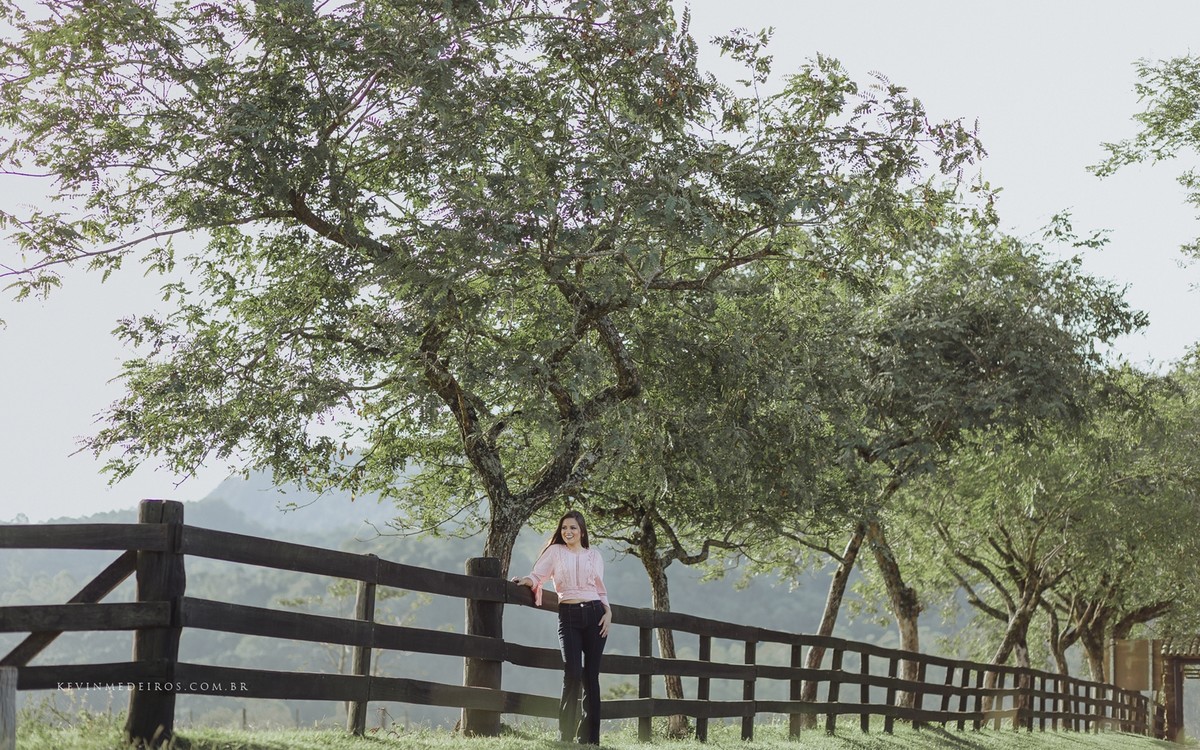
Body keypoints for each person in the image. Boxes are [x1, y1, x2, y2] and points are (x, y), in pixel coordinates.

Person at [513, 510, 612, 745]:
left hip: (596, 614)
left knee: (591, 676)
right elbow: (538, 575)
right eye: (564, 528)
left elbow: (600, 589)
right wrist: (527, 581)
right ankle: (565, 735)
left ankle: (590, 739)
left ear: (582, 531)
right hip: (568, 616)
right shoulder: (555, 552)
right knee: (572, 673)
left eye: (573, 528)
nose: (568, 532)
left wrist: (608, 612)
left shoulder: (594, 555)